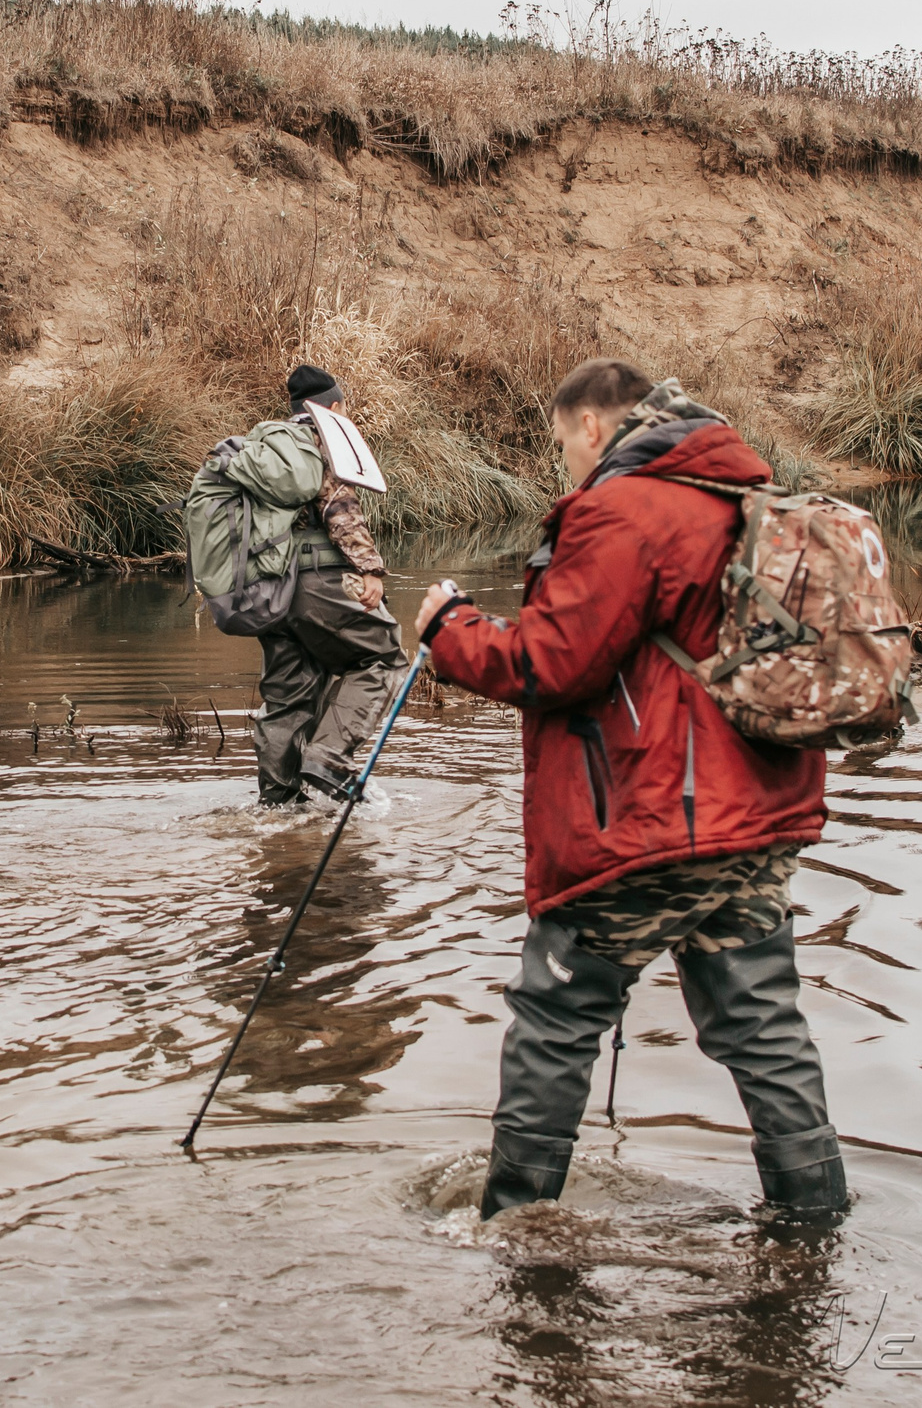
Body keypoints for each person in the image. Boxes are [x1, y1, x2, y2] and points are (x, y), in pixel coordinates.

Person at [412, 360, 844, 1219]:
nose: (566, 459)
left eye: (565, 440)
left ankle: (515, 1232)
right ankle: (814, 1225)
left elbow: (550, 663)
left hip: (648, 829)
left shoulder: (624, 507)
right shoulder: (745, 499)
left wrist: (447, 630)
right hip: (755, 824)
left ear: (595, 427)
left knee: (554, 1022)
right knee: (766, 1032)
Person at [254, 364, 408, 805]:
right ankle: (329, 757)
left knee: (288, 698)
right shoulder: (321, 441)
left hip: (266, 592)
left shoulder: (264, 447)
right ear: (334, 407)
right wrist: (370, 568)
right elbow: (339, 508)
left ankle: (278, 806)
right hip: (314, 582)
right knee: (385, 657)